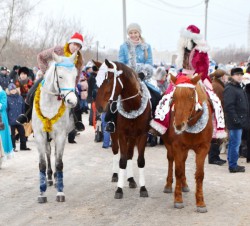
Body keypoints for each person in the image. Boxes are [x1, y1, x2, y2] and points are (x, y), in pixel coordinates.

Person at [149, 25, 227, 139]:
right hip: (182, 76)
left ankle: (216, 131)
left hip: (198, 77)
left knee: (215, 100)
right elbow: (181, 66)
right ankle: (160, 124)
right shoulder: (183, 50)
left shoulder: (201, 51)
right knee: (167, 96)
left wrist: (195, 77)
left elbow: (203, 69)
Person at [16, 32, 85, 131]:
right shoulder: (58, 50)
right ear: (70, 43)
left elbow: (77, 75)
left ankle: (77, 121)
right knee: (31, 92)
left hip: (67, 83)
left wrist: (72, 86)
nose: (75, 48)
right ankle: (26, 115)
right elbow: (40, 56)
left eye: (78, 46)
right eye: (74, 44)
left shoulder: (79, 59)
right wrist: (46, 72)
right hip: (50, 77)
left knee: (76, 101)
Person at [105, 22, 158, 133]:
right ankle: (111, 121)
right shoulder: (123, 46)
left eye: (135, 32)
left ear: (139, 33)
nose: (133, 35)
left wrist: (144, 72)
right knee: (115, 96)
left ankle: (154, 123)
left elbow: (149, 62)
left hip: (143, 77)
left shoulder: (146, 47)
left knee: (156, 95)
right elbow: (121, 63)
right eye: (131, 33)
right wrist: (129, 73)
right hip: (127, 77)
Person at [223, 67, 249, 173]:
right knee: (235, 143)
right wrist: (235, 119)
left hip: (240, 120)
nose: (239, 77)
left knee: (234, 143)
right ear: (232, 76)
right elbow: (229, 107)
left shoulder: (238, 87)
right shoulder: (230, 88)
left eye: (241, 75)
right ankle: (233, 166)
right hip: (235, 121)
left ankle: (232, 163)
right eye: (237, 75)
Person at [208, 69, 228, 165]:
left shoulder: (216, 84)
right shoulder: (217, 86)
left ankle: (215, 156)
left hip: (216, 113)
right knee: (215, 136)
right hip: (216, 114)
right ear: (221, 76)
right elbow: (219, 102)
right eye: (225, 75)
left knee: (215, 136)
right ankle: (213, 157)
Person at [6, 83, 30, 151]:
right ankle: (13, 147)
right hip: (11, 120)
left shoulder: (20, 97)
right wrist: (7, 120)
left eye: (14, 89)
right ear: (9, 91)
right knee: (12, 135)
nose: (13, 91)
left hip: (19, 119)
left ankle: (23, 146)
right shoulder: (7, 98)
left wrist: (23, 117)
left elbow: (23, 108)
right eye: (11, 90)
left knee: (22, 133)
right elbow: (6, 110)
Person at [0, 84, 14, 158]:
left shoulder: (2, 92)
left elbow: (4, 105)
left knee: (2, 137)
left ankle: (2, 156)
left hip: (1, 118)